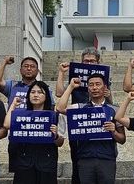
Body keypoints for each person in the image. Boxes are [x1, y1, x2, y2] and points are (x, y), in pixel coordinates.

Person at [55, 47, 112, 184]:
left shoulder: (103, 78)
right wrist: (62, 73)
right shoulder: (76, 76)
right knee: (77, 161)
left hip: (98, 125)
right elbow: (59, 94)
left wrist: (109, 96)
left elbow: (110, 104)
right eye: (86, 61)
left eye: (92, 61)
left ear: (98, 62)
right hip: (78, 122)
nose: (89, 64)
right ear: (81, 62)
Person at [56, 73, 126, 184]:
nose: (94, 88)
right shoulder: (80, 108)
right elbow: (60, 108)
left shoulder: (114, 109)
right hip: (85, 159)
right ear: (88, 89)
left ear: (105, 88)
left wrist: (114, 132)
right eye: (91, 85)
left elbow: (122, 139)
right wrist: (71, 87)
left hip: (107, 159)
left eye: (98, 84)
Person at [4, 81, 64, 184]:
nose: (36, 95)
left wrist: (56, 135)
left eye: (40, 92)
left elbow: (60, 142)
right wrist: (13, 105)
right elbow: (7, 125)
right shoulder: (21, 115)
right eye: (32, 92)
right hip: (24, 162)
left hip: (46, 163)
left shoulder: (55, 116)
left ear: (46, 96)